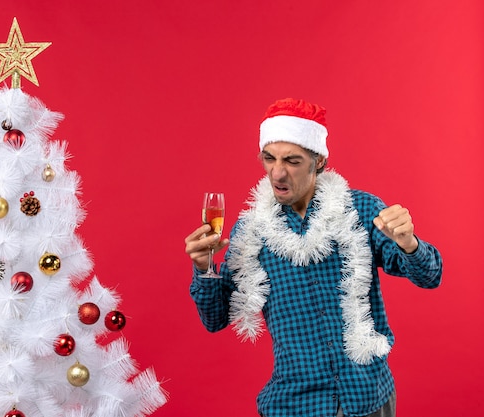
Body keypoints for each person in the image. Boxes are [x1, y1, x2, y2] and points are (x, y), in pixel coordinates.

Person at [184, 98, 443, 417]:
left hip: (369, 399)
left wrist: (409, 242)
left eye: (292, 161)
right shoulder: (251, 231)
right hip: (296, 405)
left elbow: (430, 276)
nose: (277, 173)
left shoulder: (361, 210)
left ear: (318, 161)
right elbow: (215, 319)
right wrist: (203, 267)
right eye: (269, 158)